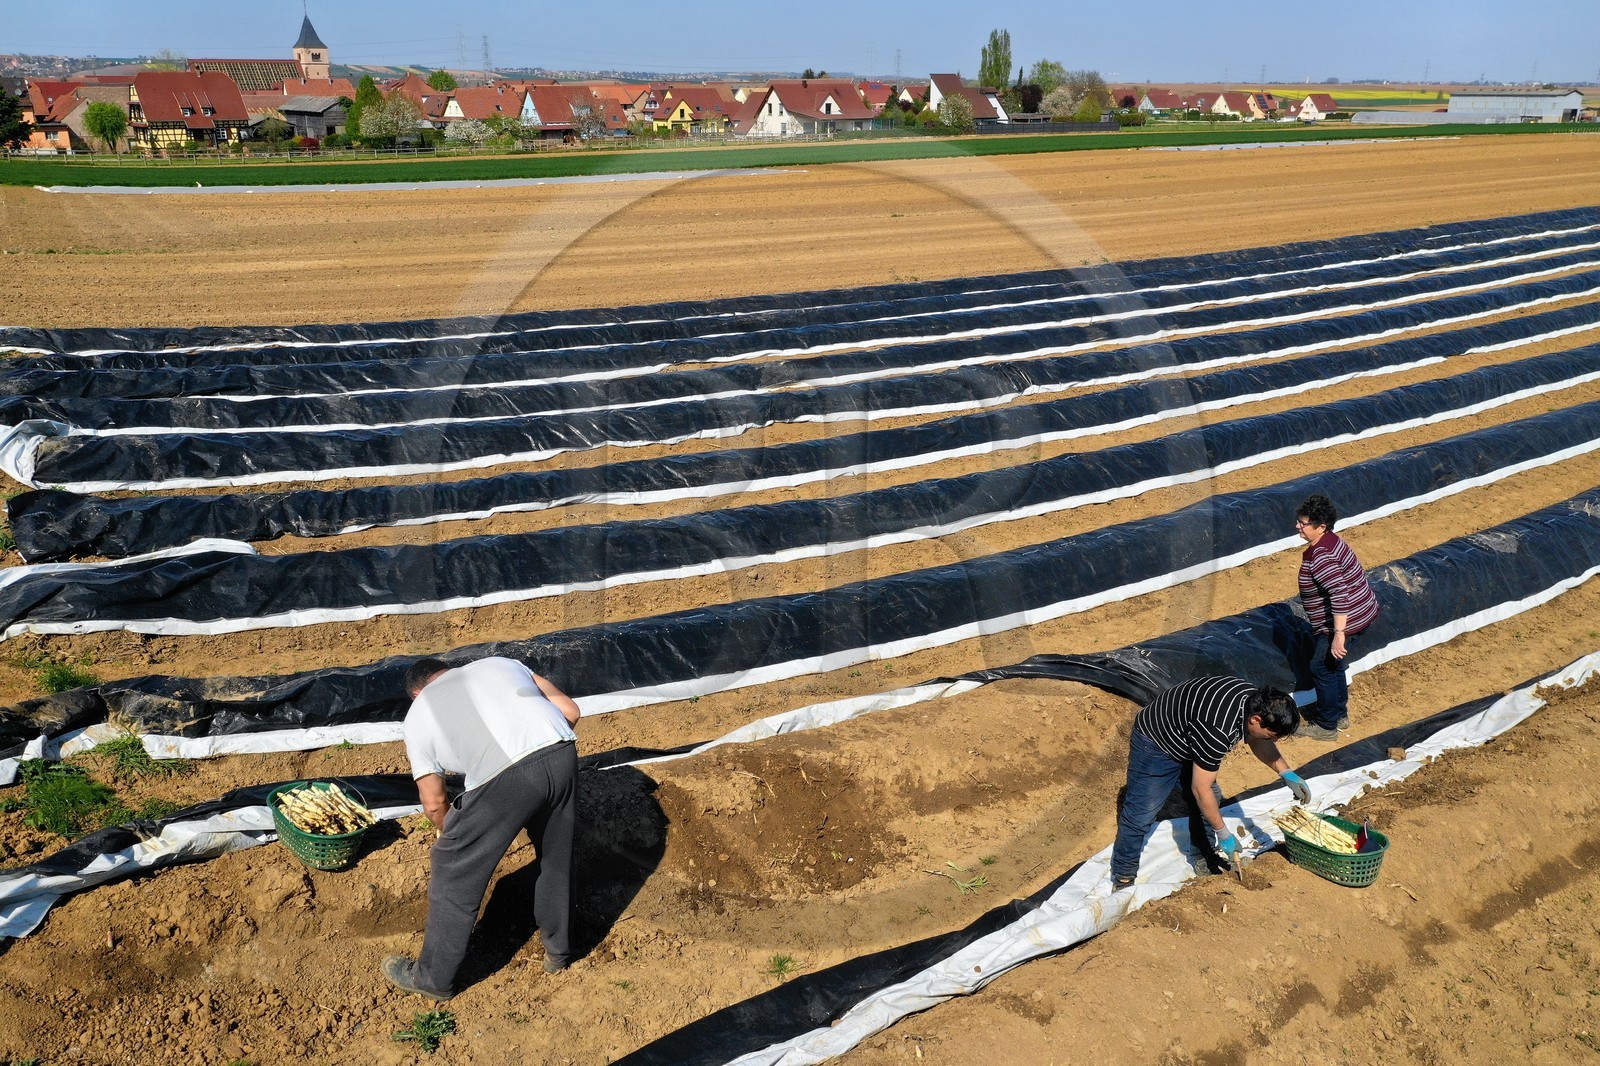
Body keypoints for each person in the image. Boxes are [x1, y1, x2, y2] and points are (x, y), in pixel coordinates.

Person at [381, 655, 582, 1000]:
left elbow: (433, 801)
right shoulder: (501, 663)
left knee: (452, 868)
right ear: (449, 670)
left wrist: (454, 835)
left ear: (417, 694)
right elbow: (570, 711)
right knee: (555, 857)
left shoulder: (416, 716)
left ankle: (433, 979)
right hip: (560, 751)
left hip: (506, 777)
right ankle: (558, 953)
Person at [1110, 676, 1308, 889]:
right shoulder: (1218, 729)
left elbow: (1258, 739)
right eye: (1272, 735)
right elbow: (1200, 788)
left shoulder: (1253, 701)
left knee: (1208, 800)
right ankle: (1123, 877)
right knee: (1141, 813)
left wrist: (1286, 772)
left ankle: (1204, 855)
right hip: (1156, 744)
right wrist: (1224, 834)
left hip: (1190, 737)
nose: (1274, 741)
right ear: (1256, 720)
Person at [1293, 493, 1380, 740]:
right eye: (1299, 520)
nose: (1298, 526)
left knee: (1320, 666)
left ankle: (1327, 724)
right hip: (1362, 611)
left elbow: (1339, 594)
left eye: (1303, 523)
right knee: (1333, 663)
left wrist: (1338, 634)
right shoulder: (1330, 541)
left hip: (1345, 619)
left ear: (1321, 526)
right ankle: (1339, 713)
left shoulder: (1322, 556)